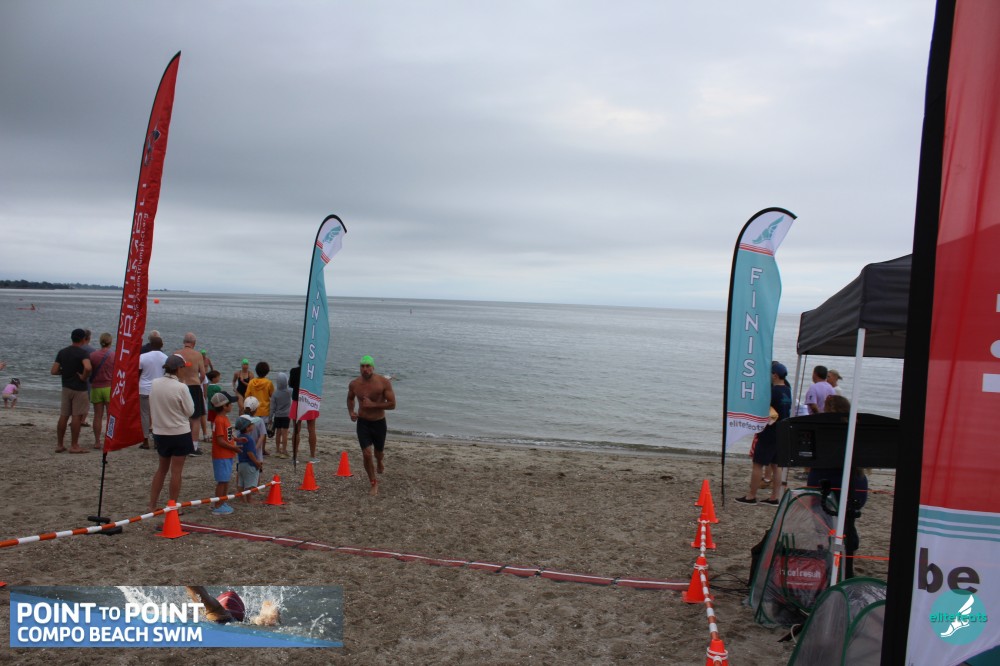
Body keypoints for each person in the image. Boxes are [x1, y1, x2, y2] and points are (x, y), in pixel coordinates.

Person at [736, 361, 792, 505]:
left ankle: (751, 496)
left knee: (758, 464)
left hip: (769, 431)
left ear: (775, 375)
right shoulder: (787, 390)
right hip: (782, 430)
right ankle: (775, 497)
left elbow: (760, 407)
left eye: (770, 373)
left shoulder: (772, 391)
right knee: (776, 465)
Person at [148, 354, 195, 512]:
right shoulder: (181, 387)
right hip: (179, 432)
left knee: (161, 469)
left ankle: (152, 504)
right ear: (178, 369)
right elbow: (190, 411)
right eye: (183, 368)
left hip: (160, 431)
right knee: (176, 471)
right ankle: (172, 505)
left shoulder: (155, 383)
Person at [347, 354, 397, 496]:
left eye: (368, 366)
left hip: (379, 423)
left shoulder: (383, 383)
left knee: (378, 453)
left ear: (373, 367)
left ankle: (380, 461)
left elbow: (392, 404)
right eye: (362, 366)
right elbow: (350, 399)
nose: (365, 369)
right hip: (363, 422)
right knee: (367, 454)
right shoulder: (354, 384)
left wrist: (373, 404)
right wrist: (351, 412)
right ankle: (373, 482)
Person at [51, 328, 93, 453]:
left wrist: (64, 372)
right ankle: (74, 445)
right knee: (76, 416)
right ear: (83, 339)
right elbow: (88, 367)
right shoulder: (83, 353)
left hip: (66, 387)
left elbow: (53, 371)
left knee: (64, 415)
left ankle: (60, 444)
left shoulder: (62, 352)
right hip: (79, 388)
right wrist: (84, 377)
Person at [209, 391, 241, 515]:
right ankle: (218, 505)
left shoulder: (224, 418)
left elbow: (227, 435)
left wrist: (236, 439)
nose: (232, 406)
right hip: (221, 455)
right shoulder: (219, 420)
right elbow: (220, 441)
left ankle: (222, 501)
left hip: (227, 455)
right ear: (224, 406)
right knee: (222, 481)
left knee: (226, 479)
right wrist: (234, 448)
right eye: (230, 404)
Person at [174, 332, 207, 453]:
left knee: (180, 416)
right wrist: (198, 381)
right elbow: (203, 374)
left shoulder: (176, 354)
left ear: (184, 342)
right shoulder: (198, 355)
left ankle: (180, 444)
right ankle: (193, 447)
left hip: (179, 386)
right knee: (195, 418)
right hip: (194, 386)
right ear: (194, 343)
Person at [138, 336, 168, 449]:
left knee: (144, 414)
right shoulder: (166, 358)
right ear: (162, 345)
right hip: (159, 389)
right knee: (157, 415)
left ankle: (145, 440)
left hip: (144, 388)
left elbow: (138, 373)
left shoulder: (143, 357)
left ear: (150, 345)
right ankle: (156, 441)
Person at [88, 332, 115, 449]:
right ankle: (109, 440)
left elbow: (89, 371)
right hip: (109, 387)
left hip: (96, 387)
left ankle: (97, 441)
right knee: (110, 416)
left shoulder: (93, 355)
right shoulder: (114, 355)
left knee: (97, 416)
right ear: (110, 342)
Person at [289, 358, 319, 462]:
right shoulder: (313, 372)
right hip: (310, 400)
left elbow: (291, 384)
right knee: (311, 429)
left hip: (297, 400)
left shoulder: (294, 371)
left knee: (296, 429)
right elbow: (317, 385)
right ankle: (312, 456)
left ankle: (295, 456)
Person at [244, 362, 274, 455]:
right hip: (264, 410)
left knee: (252, 430)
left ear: (256, 371)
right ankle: (262, 449)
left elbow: (247, 395)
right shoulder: (268, 383)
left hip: (253, 410)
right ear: (267, 372)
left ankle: (252, 446)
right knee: (263, 431)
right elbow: (272, 395)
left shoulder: (251, 382)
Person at [234, 415, 263, 503]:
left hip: (241, 463)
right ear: (247, 428)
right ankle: (249, 499)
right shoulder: (249, 439)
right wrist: (256, 463)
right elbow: (250, 453)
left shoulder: (239, 437)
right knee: (249, 484)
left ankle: (241, 498)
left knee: (241, 483)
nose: (253, 425)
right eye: (251, 424)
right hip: (249, 464)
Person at [270, 372, 292, 458]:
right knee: (284, 433)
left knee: (278, 433)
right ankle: (284, 450)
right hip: (286, 416)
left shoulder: (275, 394)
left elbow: (272, 407)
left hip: (277, 416)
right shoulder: (289, 391)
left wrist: (270, 417)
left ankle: (277, 450)